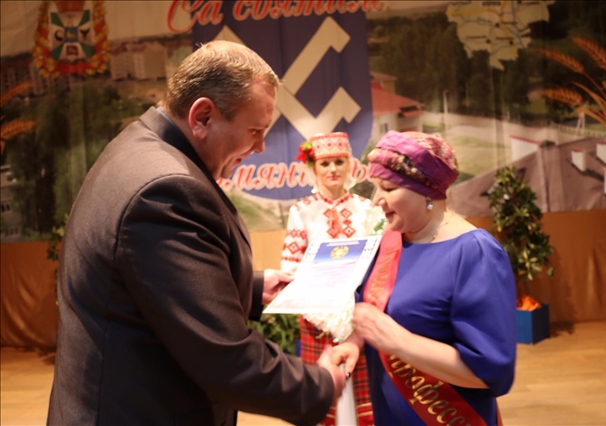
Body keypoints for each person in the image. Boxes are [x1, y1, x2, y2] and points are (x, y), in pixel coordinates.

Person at [47, 40, 346, 426]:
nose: (260, 146)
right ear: (202, 116)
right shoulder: (166, 191)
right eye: (255, 130)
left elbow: (152, 281)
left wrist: (252, 286)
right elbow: (226, 360)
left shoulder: (138, 145)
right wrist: (321, 382)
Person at [332, 130, 517, 426]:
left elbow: (493, 372)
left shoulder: (474, 252)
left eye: (388, 188)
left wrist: (399, 341)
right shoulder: (391, 240)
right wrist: (354, 343)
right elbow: (375, 312)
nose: (376, 200)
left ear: (427, 192)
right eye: (374, 187)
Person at [281, 132, 380, 426]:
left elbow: (378, 262)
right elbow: (290, 267)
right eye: (325, 163)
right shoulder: (301, 211)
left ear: (350, 164)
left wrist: (355, 309)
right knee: (324, 388)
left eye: (339, 161)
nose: (333, 169)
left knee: (365, 389)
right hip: (318, 315)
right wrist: (327, 314)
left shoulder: (367, 208)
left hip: (360, 313)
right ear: (314, 167)